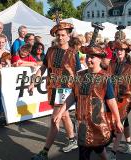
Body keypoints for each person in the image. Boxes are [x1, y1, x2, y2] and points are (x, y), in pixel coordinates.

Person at [53, 44, 124, 160]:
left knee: (98, 147)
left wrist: (117, 120)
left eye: (92, 57)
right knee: (84, 153)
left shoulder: (105, 77)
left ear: (100, 59)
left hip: (98, 123)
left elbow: (111, 100)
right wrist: (61, 112)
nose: (89, 59)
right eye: (87, 57)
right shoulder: (79, 75)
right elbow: (73, 95)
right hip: (82, 124)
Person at [29, 22, 81, 160]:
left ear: (68, 36)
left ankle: (44, 152)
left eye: (63, 35)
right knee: (64, 116)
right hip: (52, 88)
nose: (60, 37)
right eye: (58, 35)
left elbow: (79, 73)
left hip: (66, 89)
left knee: (54, 119)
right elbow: (43, 67)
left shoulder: (73, 53)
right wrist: (34, 81)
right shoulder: (50, 50)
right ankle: (72, 139)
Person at [107, 40, 131, 160]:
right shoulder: (111, 64)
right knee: (124, 122)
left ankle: (113, 152)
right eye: (117, 49)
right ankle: (129, 144)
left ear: (126, 51)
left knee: (119, 122)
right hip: (113, 98)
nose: (119, 51)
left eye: (121, 49)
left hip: (126, 99)